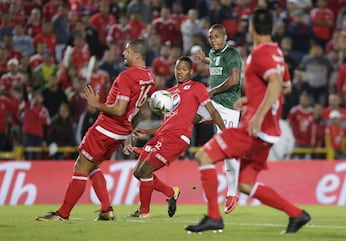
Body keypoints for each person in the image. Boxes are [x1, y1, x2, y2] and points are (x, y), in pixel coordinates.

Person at [186, 8, 311, 233]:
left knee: (204, 155)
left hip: (256, 129)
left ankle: (213, 216)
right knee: (246, 184)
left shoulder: (260, 53)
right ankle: (297, 214)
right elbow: (286, 86)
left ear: (252, 27)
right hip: (269, 132)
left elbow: (274, 83)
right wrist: (251, 101)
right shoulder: (276, 52)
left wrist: (259, 113)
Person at [35, 39, 157, 221]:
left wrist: (96, 104)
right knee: (92, 167)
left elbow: (119, 109)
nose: (124, 53)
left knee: (81, 166)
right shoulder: (150, 78)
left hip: (106, 128)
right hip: (120, 131)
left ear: (137, 55)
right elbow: (139, 110)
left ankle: (62, 214)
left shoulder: (126, 76)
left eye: (127, 51)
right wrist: (128, 132)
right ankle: (106, 210)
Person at [125, 56, 225, 218]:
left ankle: (144, 211)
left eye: (184, 69)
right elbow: (169, 120)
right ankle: (171, 192)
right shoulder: (169, 93)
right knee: (138, 172)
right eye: (178, 68)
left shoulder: (196, 87)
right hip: (161, 135)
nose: (180, 72)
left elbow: (213, 111)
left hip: (177, 137)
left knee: (145, 171)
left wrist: (225, 133)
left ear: (191, 72)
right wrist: (149, 132)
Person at [193, 23, 242, 214]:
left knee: (226, 150)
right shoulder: (213, 54)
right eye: (210, 37)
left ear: (225, 37)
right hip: (213, 104)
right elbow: (215, 63)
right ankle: (166, 141)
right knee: (189, 116)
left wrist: (212, 90)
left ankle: (232, 193)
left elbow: (234, 80)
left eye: (216, 37)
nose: (213, 40)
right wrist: (204, 59)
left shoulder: (232, 55)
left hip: (228, 107)